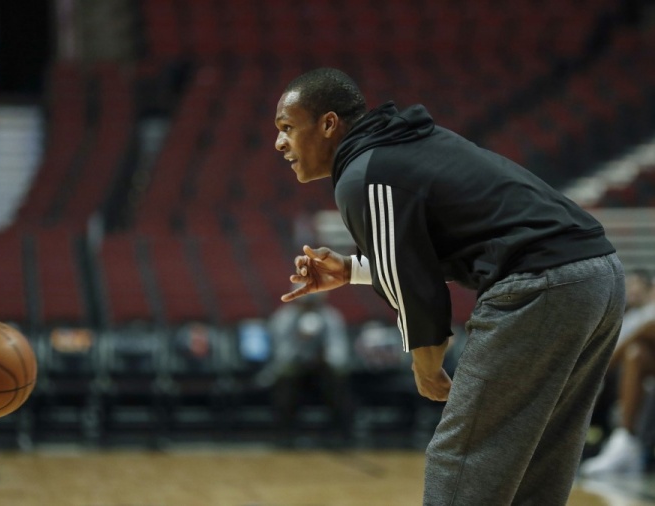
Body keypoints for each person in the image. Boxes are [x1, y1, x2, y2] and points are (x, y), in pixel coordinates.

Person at [273, 67, 625, 505]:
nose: (279, 143)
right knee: (541, 460)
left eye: (287, 127)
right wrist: (352, 270)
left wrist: (426, 363)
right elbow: (424, 255)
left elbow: (414, 286)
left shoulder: (363, 173)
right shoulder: (404, 144)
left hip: (543, 284)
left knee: (462, 457)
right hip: (598, 276)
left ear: (328, 124)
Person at [580, 269, 655, 475]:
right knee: (636, 354)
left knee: (646, 332)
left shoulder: (646, 313)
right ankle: (626, 442)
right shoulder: (628, 314)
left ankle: (597, 371)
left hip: (612, 369)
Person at [257, 290, 351, 446]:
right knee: (285, 390)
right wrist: (299, 343)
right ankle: (285, 434)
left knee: (338, 387)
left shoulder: (331, 317)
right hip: (293, 368)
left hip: (322, 368)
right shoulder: (283, 318)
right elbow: (281, 353)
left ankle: (341, 434)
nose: (309, 304)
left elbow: (338, 349)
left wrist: (325, 359)